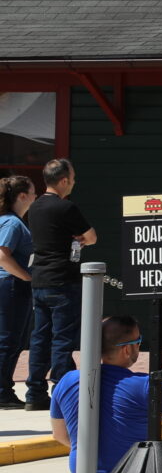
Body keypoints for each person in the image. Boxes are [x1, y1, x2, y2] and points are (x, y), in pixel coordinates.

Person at [51, 314, 162, 473]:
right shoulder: (144, 385)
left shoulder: (67, 381)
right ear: (127, 349)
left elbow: (60, 435)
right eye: (139, 341)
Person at [24, 158, 96, 413]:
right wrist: (77, 239)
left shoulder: (34, 207)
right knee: (62, 338)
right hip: (63, 280)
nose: (74, 183)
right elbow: (91, 237)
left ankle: (34, 393)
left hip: (40, 279)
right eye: (73, 179)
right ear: (64, 180)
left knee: (39, 337)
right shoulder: (66, 208)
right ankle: (62, 391)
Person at [0, 176, 35, 410]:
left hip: (11, 285)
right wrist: (27, 277)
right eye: (33, 192)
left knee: (12, 340)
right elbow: (3, 255)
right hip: (10, 285)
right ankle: (2, 392)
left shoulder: (10, 221)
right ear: (22, 196)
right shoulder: (12, 223)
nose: (36, 196)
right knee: (8, 341)